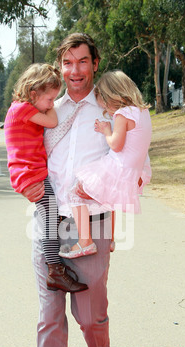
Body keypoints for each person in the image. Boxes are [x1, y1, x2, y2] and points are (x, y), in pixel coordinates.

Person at [20, 33, 120, 347]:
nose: (74, 71)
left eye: (82, 62)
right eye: (68, 63)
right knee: (49, 317)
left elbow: (131, 159)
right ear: (60, 67)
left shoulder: (114, 108)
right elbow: (22, 150)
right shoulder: (47, 109)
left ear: (95, 63)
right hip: (48, 224)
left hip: (93, 223)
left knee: (89, 315)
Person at [5, 63, 88, 294]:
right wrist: (49, 109)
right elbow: (52, 121)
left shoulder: (23, 108)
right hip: (29, 173)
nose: (52, 104)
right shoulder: (23, 108)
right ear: (33, 94)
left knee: (50, 218)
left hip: (30, 172)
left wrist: (45, 105)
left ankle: (55, 269)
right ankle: (54, 271)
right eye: (50, 99)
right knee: (50, 221)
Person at [59, 70, 152, 259]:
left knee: (74, 193)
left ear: (111, 96)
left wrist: (106, 130)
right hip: (135, 170)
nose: (109, 113)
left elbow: (116, 145)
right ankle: (110, 239)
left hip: (117, 168)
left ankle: (85, 242)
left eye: (107, 108)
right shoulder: (143, 112)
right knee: (109, 201)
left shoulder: (123, 114)